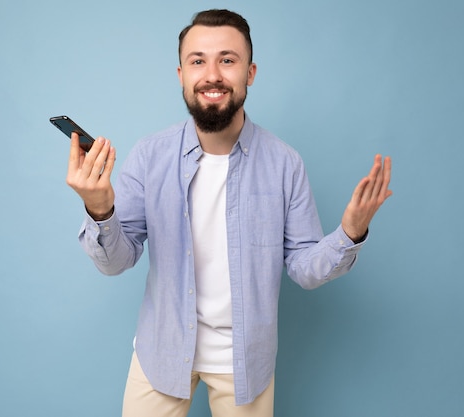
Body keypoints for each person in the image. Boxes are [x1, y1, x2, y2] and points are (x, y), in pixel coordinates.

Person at [66, 9, 392, 417]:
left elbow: (304, 268)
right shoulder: (151, 155)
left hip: (245, 362)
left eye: (228, 59)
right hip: (161, 350)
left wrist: (349, 233)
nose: (212, 74)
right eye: (198, 61)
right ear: (181, 74)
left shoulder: (284, 164)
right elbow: (116, 262)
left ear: (250, 73)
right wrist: (99, 207)